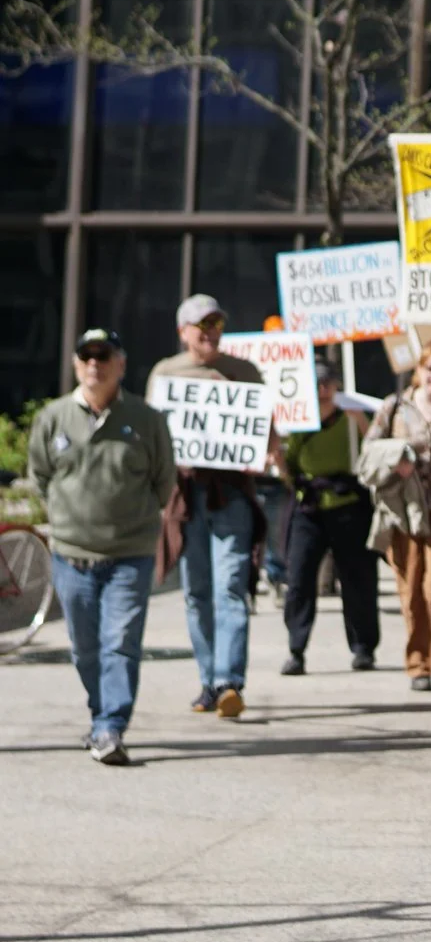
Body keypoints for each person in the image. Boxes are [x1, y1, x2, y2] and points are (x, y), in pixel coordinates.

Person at [28, 327, 175, 765]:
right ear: (76, 365)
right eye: (87, 357)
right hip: (72, 555)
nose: (95, 364)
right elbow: (41, 475)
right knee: (85, 648)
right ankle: (100, 714)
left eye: (104, 356)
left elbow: (163, 482)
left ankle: (111, 724)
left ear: (121, 364)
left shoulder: (147, 420)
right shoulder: (53, 418)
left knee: (121, 642)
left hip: (129, 555)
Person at [152, 294, 265, 719]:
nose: (209, 331)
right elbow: (154, 438)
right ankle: (208, 680)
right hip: (186, 496)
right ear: (183, 332)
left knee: (230, 584)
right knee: (197, 591)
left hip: (230, 492)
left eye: (216, 323)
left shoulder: (243, 372)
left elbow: (263, 432)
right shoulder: (165, 374)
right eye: (201, 325)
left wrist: (233, 398)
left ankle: (228, 681)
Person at [367, 341, 431, 691]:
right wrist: (396, 459)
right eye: (430, 369)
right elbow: (369, 450)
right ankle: (418, 664)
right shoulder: (395, 408)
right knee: (410, 590)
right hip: (403, 511)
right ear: (418, 370)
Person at [277, 359, 380, 676]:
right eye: (316, 384)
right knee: (299, 580)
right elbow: (289, 470)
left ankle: (363, 647)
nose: (322, 391)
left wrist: (361, 421)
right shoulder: (298, 424)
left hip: (350, 507)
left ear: (337, 386)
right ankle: (296, 649)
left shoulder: (352, 418)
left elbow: (375, 453)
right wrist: (275, 457)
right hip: (310, 510)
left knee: (358, 580)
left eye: (328, 383)